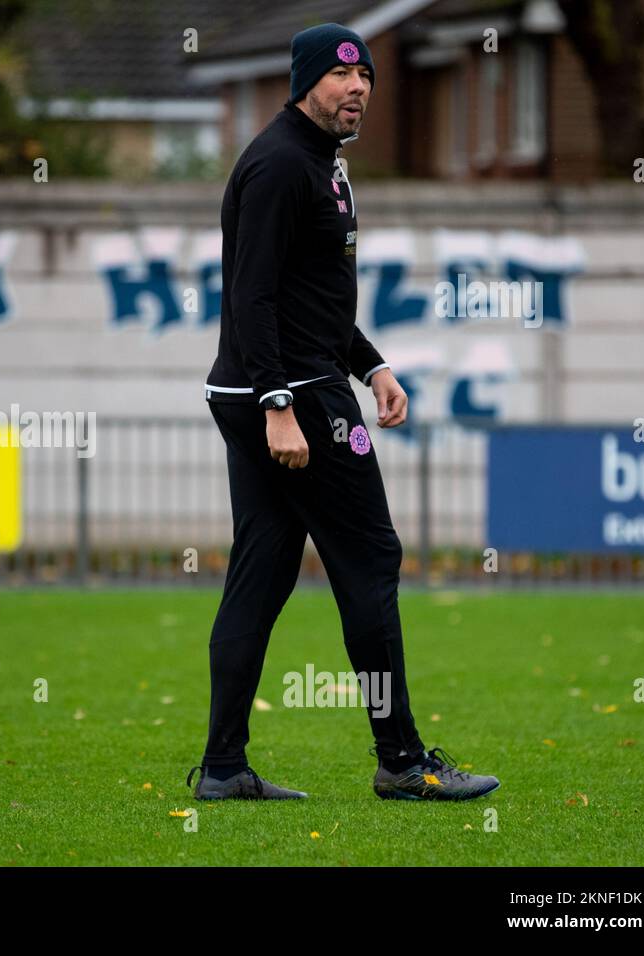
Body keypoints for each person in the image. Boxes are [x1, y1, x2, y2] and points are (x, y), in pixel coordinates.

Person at [185, 23, 500, 802]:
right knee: (372, 558)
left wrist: (372, 362)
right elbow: (251, 296)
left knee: (262, 575)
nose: (357, 89)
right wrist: (280, 404)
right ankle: (402, 761)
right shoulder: (278, 164)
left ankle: (224, 768)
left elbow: (311, 297)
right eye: (340, 77)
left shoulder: (324, 164)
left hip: (294, 382)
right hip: (291, 394)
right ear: (304, 82)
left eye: (365, 79)